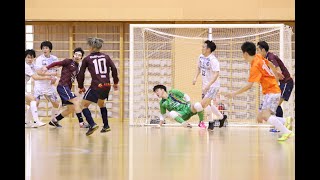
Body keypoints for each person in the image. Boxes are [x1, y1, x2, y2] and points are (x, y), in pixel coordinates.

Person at [224, 41, 294, 141]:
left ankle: (287, 132)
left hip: (272, 91)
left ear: (245, 53)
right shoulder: (258, 56)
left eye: (242, 53)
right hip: (271, 91)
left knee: (265, 115)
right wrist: (276, 72)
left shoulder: (254, 66)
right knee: (263, 116)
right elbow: (268, 62)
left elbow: (249, 86)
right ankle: (285, 120)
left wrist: (233, 93)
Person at [77, 37, 119, 136]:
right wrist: (115, 82)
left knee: (82, 105)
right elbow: (114, 69)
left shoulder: (87, 59)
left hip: (96, 85)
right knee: (101, 104)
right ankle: (106, 126)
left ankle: (92, 124)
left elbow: (81, 74)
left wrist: (81, 86)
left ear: (91, 47)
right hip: (106, 85)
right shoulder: (106, 57)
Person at [43, 47, 89, 128]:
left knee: (71, 108)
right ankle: (81, 123)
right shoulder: (68, 61)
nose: (77, 56)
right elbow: (56, 63)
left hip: (66, 88)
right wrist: (47, 67)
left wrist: (81, 87)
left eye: (79, 55)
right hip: (63, 86)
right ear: (73, 55)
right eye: (76, 54)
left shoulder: (77, 66)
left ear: (81, 57)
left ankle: (55, 121)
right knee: (76, 102)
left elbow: (78, 79)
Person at [257, 41, 294, 132]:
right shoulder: (264, 59)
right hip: (281, 84)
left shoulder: (271, 57)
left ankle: (281, 125)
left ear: (263, 50)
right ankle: (283, 124)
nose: (257, 52)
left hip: (286, 83)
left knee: (275, 106)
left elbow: (278, 72)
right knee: (274, 107)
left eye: (258, 50)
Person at [192, 40, 227, 131]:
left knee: (203, 104)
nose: (202, 48)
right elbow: (198, 68)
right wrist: (195, 78)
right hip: (205, 85)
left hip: (213, 86)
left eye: (204, 47)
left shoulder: (213, 60)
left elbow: (216, 74)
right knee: (207, 104)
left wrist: (209, 84)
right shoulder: (200, 57)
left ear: (208, 49)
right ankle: (218, 119)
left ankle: (216, 119)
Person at [25, 49, 56, 127]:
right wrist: (48, 78)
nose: (30, 59)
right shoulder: (26, 66)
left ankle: (26, 121)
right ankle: (36, 121)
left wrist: (52, 72)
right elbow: (35, 77)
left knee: (33, 102)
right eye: (28, 57)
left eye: (32, 58)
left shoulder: (32, 65)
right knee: (33, 100)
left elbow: (40, 71)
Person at [33, 40, 60, 121]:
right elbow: (39, 72)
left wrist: (54, 77)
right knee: (35, 103)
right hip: (40, 84)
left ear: (50, 49)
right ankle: (30, 120)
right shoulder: (39, 59)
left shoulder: (54, 58)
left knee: (56, 104)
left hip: (49, 85)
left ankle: (54, 120)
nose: (44, 49)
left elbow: (56, 70)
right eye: (43, 48)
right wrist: (50, 75)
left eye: (46, 48)